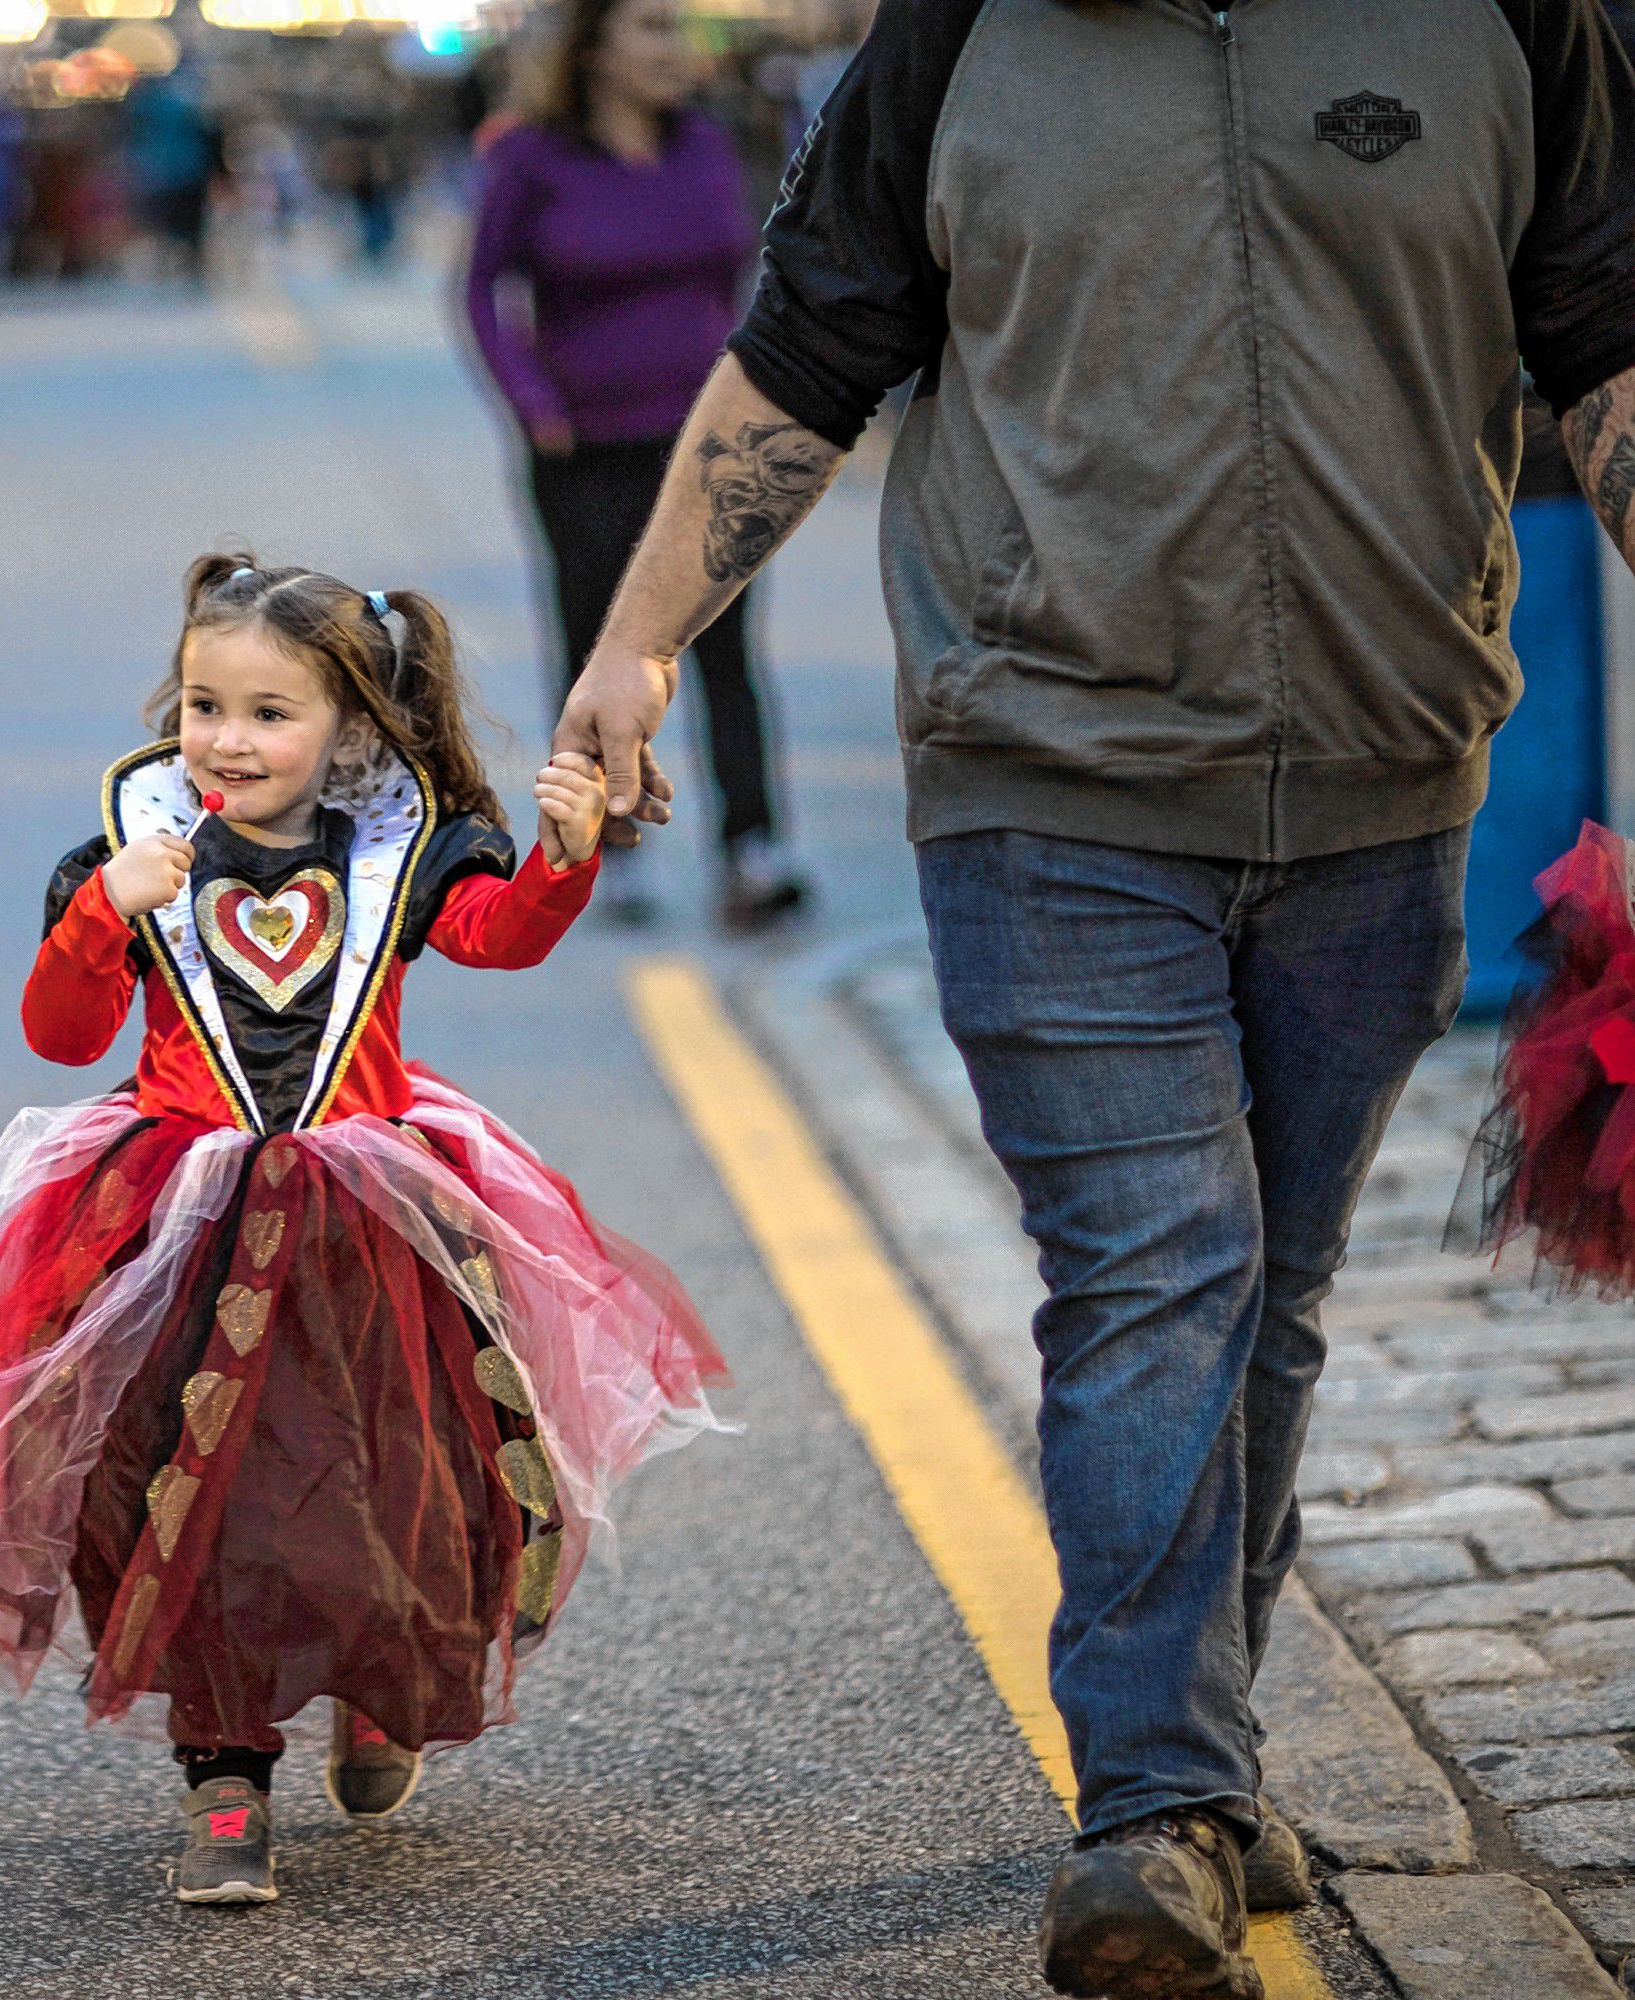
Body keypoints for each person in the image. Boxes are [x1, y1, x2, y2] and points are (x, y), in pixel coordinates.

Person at [549, 2, 1635, 1994]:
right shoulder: (956, 33)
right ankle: (1152, 1804)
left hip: (1389, 788)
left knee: (1271, 1283)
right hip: (1044, 777)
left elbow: (1605, 336)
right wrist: (634, 647)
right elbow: (806, 346)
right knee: (1155, 1267)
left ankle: (1202, 1755)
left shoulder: (1504, 18)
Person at [0, 555, 723, 1905]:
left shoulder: (398, 848)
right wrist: (103, 916)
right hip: (171, 1215)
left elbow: (498, 938)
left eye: (269, 713)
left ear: (350, 730)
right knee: (180, 1483)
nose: (227, 740)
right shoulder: (130, 852)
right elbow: (58, 1032)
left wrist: (560, 860)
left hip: (361, 1219)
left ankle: (377, 1692)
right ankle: (224, 1775)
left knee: (380, 1473)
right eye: (205, 705)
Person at [464, 0, 803, 926]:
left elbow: (745, 275)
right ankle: (609, 848)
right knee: (597, 646)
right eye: (651, 25)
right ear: (596, 48)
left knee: (729, 647)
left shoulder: (703, 144)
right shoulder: (531, 155)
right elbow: (481, 287)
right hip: (586, 445)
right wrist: (530, 401)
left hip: (707, 444)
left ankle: (753, 844)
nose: (674, 45)